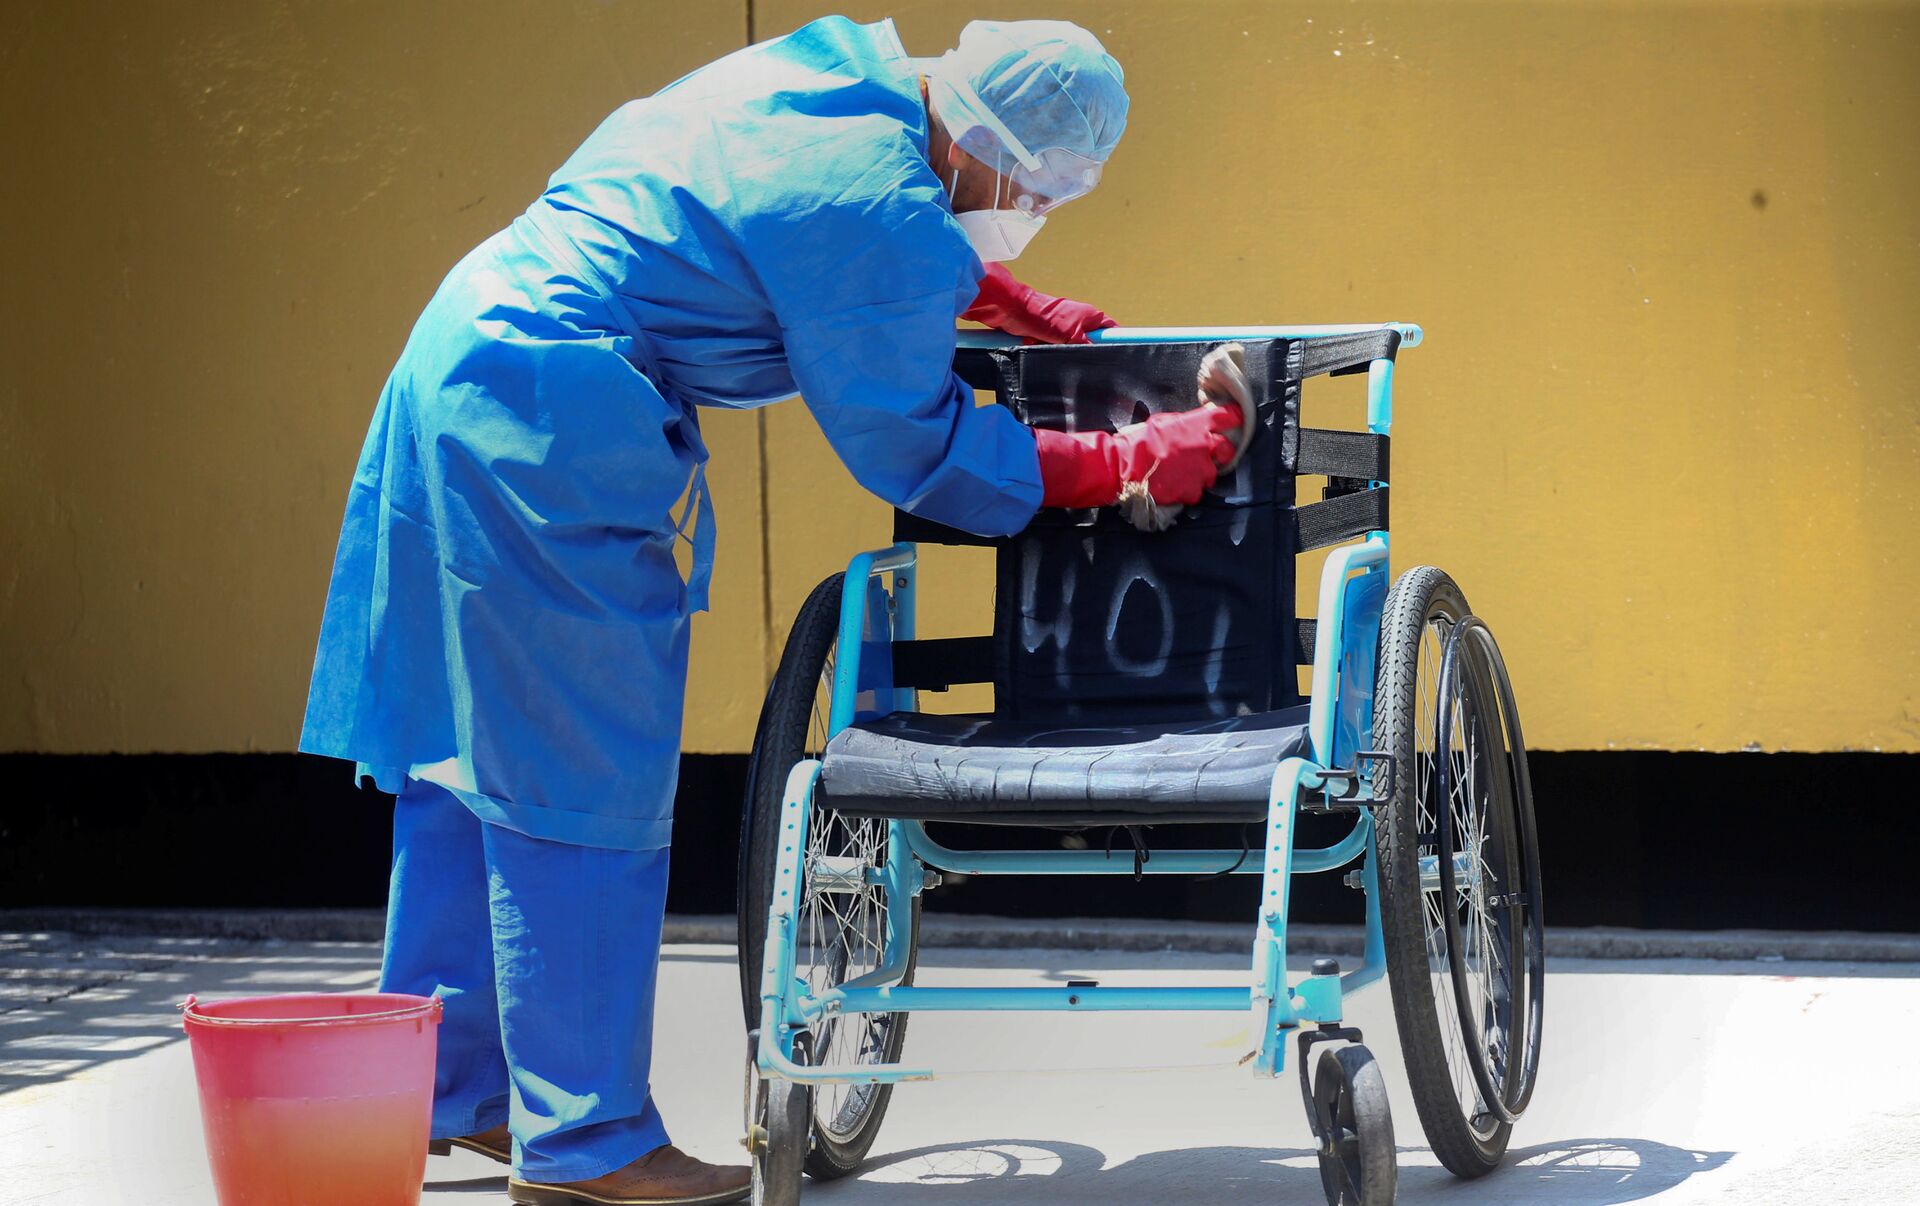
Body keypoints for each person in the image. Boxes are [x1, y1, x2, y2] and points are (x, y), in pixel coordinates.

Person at [299, 15, 1240, 1206]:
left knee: (462, 760)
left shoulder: (830, 81)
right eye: (1035, 188)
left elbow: (770, 219)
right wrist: (1127, 462)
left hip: (465, 351)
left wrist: (984, 289)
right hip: (552, 418)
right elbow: (920, 446)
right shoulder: (882, 212)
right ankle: (587, 1144)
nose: (1036, 209)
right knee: (577, 776)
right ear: (983, 145)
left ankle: (456, 1088)